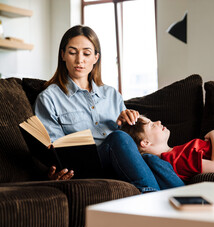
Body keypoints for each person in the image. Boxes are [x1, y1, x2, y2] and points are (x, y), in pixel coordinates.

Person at [34, 25, 184, 192]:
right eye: (72, 52)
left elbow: (132, 142)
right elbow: (53, 148)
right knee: (117, 138)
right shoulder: (49, 98)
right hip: (86, 167)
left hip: (119, 162)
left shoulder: (111, 94)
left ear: (96, 58)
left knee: (151, 159)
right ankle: (150, 199)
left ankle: (193, 201)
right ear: (63, 55)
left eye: (86, 53)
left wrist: (127, 123)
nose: (79, 60)